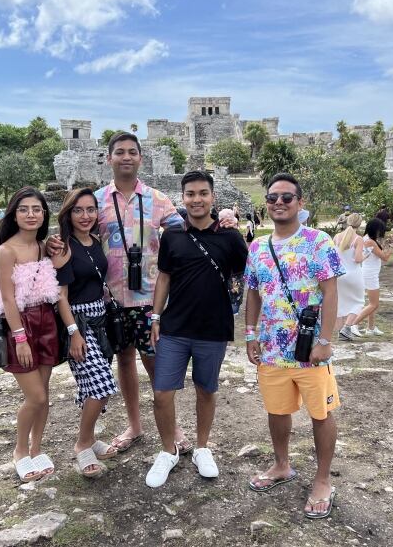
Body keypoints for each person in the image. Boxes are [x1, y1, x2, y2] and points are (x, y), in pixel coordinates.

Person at [47, 132, 194, 454]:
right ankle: (135, 425)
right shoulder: (96, 201)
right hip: (110, 300)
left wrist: (219, 224)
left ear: (140, 158)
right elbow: (73, 232)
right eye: (119, 152)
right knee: (125, 361)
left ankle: (174, 427)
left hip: (149, 298)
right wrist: (51, 244)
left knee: (156, 363)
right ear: (109, 158)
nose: (126, 157)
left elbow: (184, 232)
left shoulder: (157, 199)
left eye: (132, 152)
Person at [244, 172, 344, 520]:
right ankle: (282, 465)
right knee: (277, 410)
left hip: (309, 350)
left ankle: (322, 480)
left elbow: (331, 292)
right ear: (266, 204)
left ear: (300, 204)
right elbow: (253, 292)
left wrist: (326, 340)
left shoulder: (319, 241)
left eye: (287, 198)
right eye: (273, 198)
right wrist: (250, 333)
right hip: (271, 349)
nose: (279, 203)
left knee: (320, 412)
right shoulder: (257, 246)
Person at [145, 171, 248, 488]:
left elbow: (248, 274)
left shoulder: (231, 238)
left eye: (203, 193)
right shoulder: (172, 236)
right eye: (190, 194)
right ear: (182, 198)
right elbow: (163, 277)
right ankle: (168, 450)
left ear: (213, 197)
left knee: (206, 389)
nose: (197, 199)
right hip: (175, 327)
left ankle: (203, 447)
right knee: (162, 394)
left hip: (213, 328)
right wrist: (156, 317)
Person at [0, 187, 70, 482]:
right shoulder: (6, 251)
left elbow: (60, 274)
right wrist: (20, 337)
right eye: (24, 209)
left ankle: (37, 449)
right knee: (34, 397)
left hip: (46, 321)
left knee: (44, 395)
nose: (31, 214)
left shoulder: (42, 247)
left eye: (37, 209)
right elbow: (8, 300)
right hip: (20, 324)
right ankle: (20, 451)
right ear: (14, 214)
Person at [55, 188, 119, 478]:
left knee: (92, 385)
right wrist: (73, 333)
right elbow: (61, 296)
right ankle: (82, 444)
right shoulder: (62, 247)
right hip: (78, 322)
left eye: (91, 209)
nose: (85, 216)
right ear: (68, 213)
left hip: (100, 320)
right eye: (78, 210)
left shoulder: (95, 241)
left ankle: (91, 438)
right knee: (102, 384)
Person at [339, 219, 393, 340]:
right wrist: (391, 247)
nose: (381, 233)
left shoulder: (366, 239)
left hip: (369, 273)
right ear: (375, 229)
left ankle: (371, 328)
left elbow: (378, 253)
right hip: (370, 275)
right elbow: (385, 257)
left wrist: (385, 245)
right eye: (380, 231)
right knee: (374, 304)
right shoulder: (370, 242)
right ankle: (352, 325)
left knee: (371, 303)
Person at [333, 213, 365, 336]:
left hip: (339, 275)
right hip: (353, 275)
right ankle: (347, 327)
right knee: (359, 302)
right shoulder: (358, 239)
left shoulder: (336, 237)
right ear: (359, 224)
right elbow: (357, 259)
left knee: (340, 302)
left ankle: (339, 330)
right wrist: (365, 256)